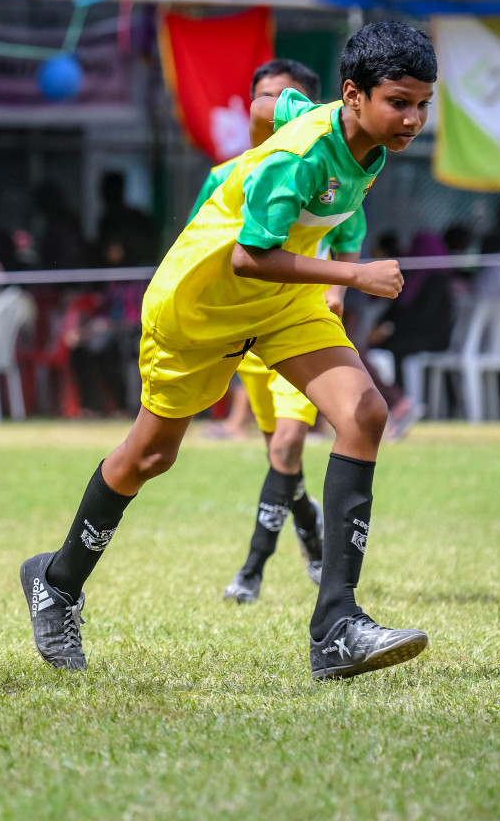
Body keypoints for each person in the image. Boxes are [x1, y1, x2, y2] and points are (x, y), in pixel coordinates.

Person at [19, 22, 436, 681]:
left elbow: (273, 104)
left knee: (363, 413)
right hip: (201, 306)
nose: (412, 118)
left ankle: (336, 626)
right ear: (354, 97)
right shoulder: (299, 159)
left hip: (280, 302)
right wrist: (352, 274)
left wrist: (259, 133)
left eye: (422, 103)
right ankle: (57, 581)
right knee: (149, 457)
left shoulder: (349, 130)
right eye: (400, 102)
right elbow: (249, 256)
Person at [188, 58, 352, 604]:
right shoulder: (224, 176)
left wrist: (338, 291)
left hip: (298, 323)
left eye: (284, 100)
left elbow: (348, 240)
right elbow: (201, 246)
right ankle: (311, 534)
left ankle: (251, 571)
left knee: (286, 446)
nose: (271, 111)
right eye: (263, 99)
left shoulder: (332, 171)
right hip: (246, 332)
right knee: (282, 462)